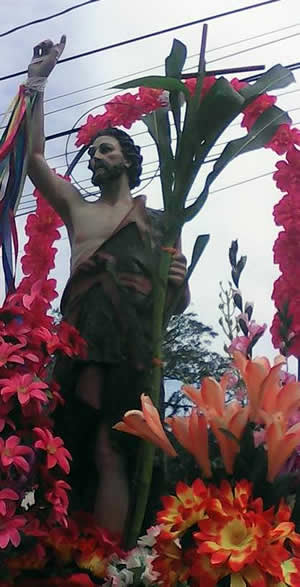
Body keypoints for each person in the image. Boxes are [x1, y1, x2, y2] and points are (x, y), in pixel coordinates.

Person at [26, 37, 190, 537]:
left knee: (118, 446)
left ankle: (119, 562)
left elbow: (174, 304)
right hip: (82, 341)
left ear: (128, 159)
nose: (95, 157)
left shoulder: (160, 222)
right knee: (76, 443)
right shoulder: (80, 210)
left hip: (133, 348)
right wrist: (37, 82)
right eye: (93, 151)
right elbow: (35, 161)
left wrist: (179, 284)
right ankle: (74, 550)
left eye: (105, 148)